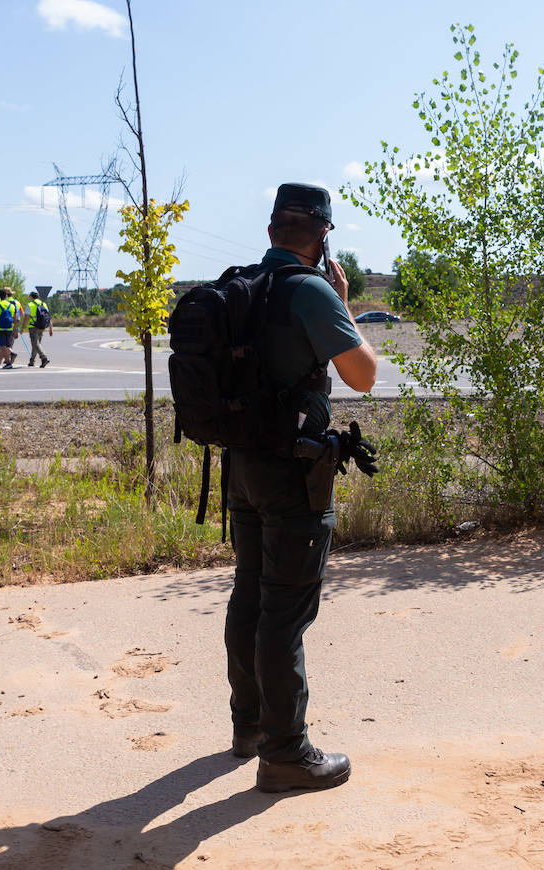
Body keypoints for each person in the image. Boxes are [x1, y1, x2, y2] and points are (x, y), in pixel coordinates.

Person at [222, 183, 376, 792]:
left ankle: (249, 726)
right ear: (322, 237)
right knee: (285, 610)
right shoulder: (312, 290)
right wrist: (344, 305)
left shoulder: (239, 288)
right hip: (293, 472)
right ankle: (285, 753)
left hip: (242, 467)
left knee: (250, 594)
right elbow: (362, 376)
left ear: (270, 233)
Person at [22, 290, 52, 367]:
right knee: (36, 344)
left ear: (31, 296)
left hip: (33, 327)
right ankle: (32, 361)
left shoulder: (30, 305)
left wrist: (22, 327)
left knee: (36, 344)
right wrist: (50, 328)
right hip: (42, 326)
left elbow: (26, 318)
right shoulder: (43, 304)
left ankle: (44, 357)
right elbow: (48, 316)